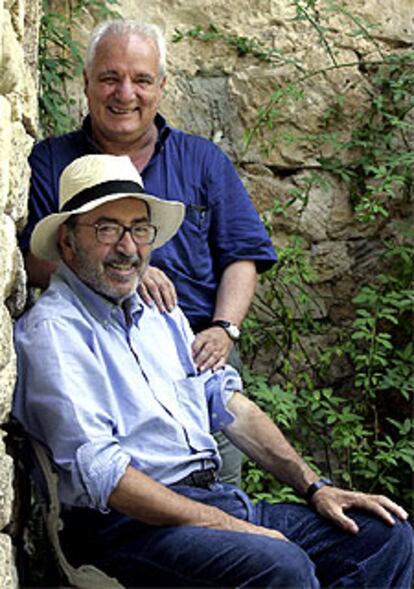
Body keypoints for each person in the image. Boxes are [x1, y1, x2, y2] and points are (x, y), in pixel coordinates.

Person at [13, 154, 413, 589]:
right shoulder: (55, 332)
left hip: (215, 500)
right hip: (127, 528)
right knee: (280, 565)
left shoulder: (158, 312)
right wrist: (226, 525)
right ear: (68, 242)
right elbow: (106, 478)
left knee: (384, 537)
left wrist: (315, 487)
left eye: (139, 229)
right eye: (107, 229)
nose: (128, 247)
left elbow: (227, 404)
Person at [19, 18, 278, 485]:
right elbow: (35, 259)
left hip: (199, 355)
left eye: (140, 79)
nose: (125, 93)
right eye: (109, 78)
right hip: (102, 354)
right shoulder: (52, 163)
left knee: (216, 488)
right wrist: (129, 273)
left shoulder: (202, 161)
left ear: (161, 86)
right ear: (86, 84)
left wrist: (224, 328)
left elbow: (242, 255)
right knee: (128, 501)